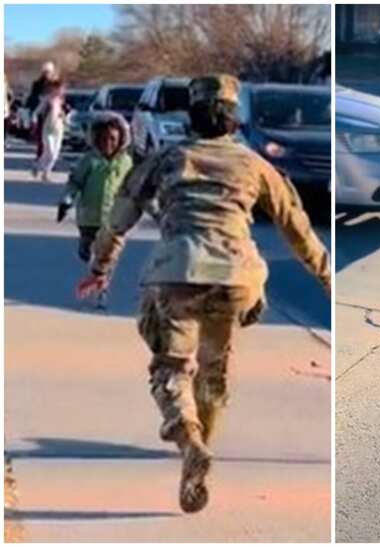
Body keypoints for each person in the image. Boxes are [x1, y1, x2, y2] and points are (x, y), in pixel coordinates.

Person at [76, 74, 331, 514]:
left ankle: (187, 435)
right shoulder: (255, 165)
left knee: (171, 369)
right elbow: (297, 227)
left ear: (190, 116)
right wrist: (327, 278)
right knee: (215, 373)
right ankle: (200, 452)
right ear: (234, 120)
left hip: (176, 273)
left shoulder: (167, 158)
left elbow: (119, 218)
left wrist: (100, 268)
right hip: (236, 280)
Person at [57, 112, 134, 308]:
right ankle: (94, 277)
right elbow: (75, 183)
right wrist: (66, 201)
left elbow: (135, 189)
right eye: (103, 139)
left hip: (114, 220)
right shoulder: (89, 160)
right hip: (89, 218)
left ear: (121, 140)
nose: (108, 143)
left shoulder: (126, 163)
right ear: (95, 138)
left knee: (108, 257)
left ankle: (101, 290)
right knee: (88, 254)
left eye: (113, 139)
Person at [33, 79, 66, 182]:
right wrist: (34, 122)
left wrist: (63, 116)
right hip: (48, 129)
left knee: (54, 155)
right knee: (50, 152)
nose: (61, 91)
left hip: (59, 129)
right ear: (53, 89)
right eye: (59, 89)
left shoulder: (62, 100)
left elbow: (64, 114)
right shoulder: (47, 100)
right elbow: (37, 112)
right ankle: (38, 166)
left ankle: (45, 173)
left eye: (62, 89)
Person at [26, 62, 57, 161]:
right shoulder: (37, 84)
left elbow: (60, 97)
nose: (47, 74)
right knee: (41, 136)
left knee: (52, 136)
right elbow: (32, 98)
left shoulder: (55, 84)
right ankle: (40, 155)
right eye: (46, 71)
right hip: (40, 113)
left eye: (49, 72)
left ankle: (50, 156)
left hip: (52, 114)